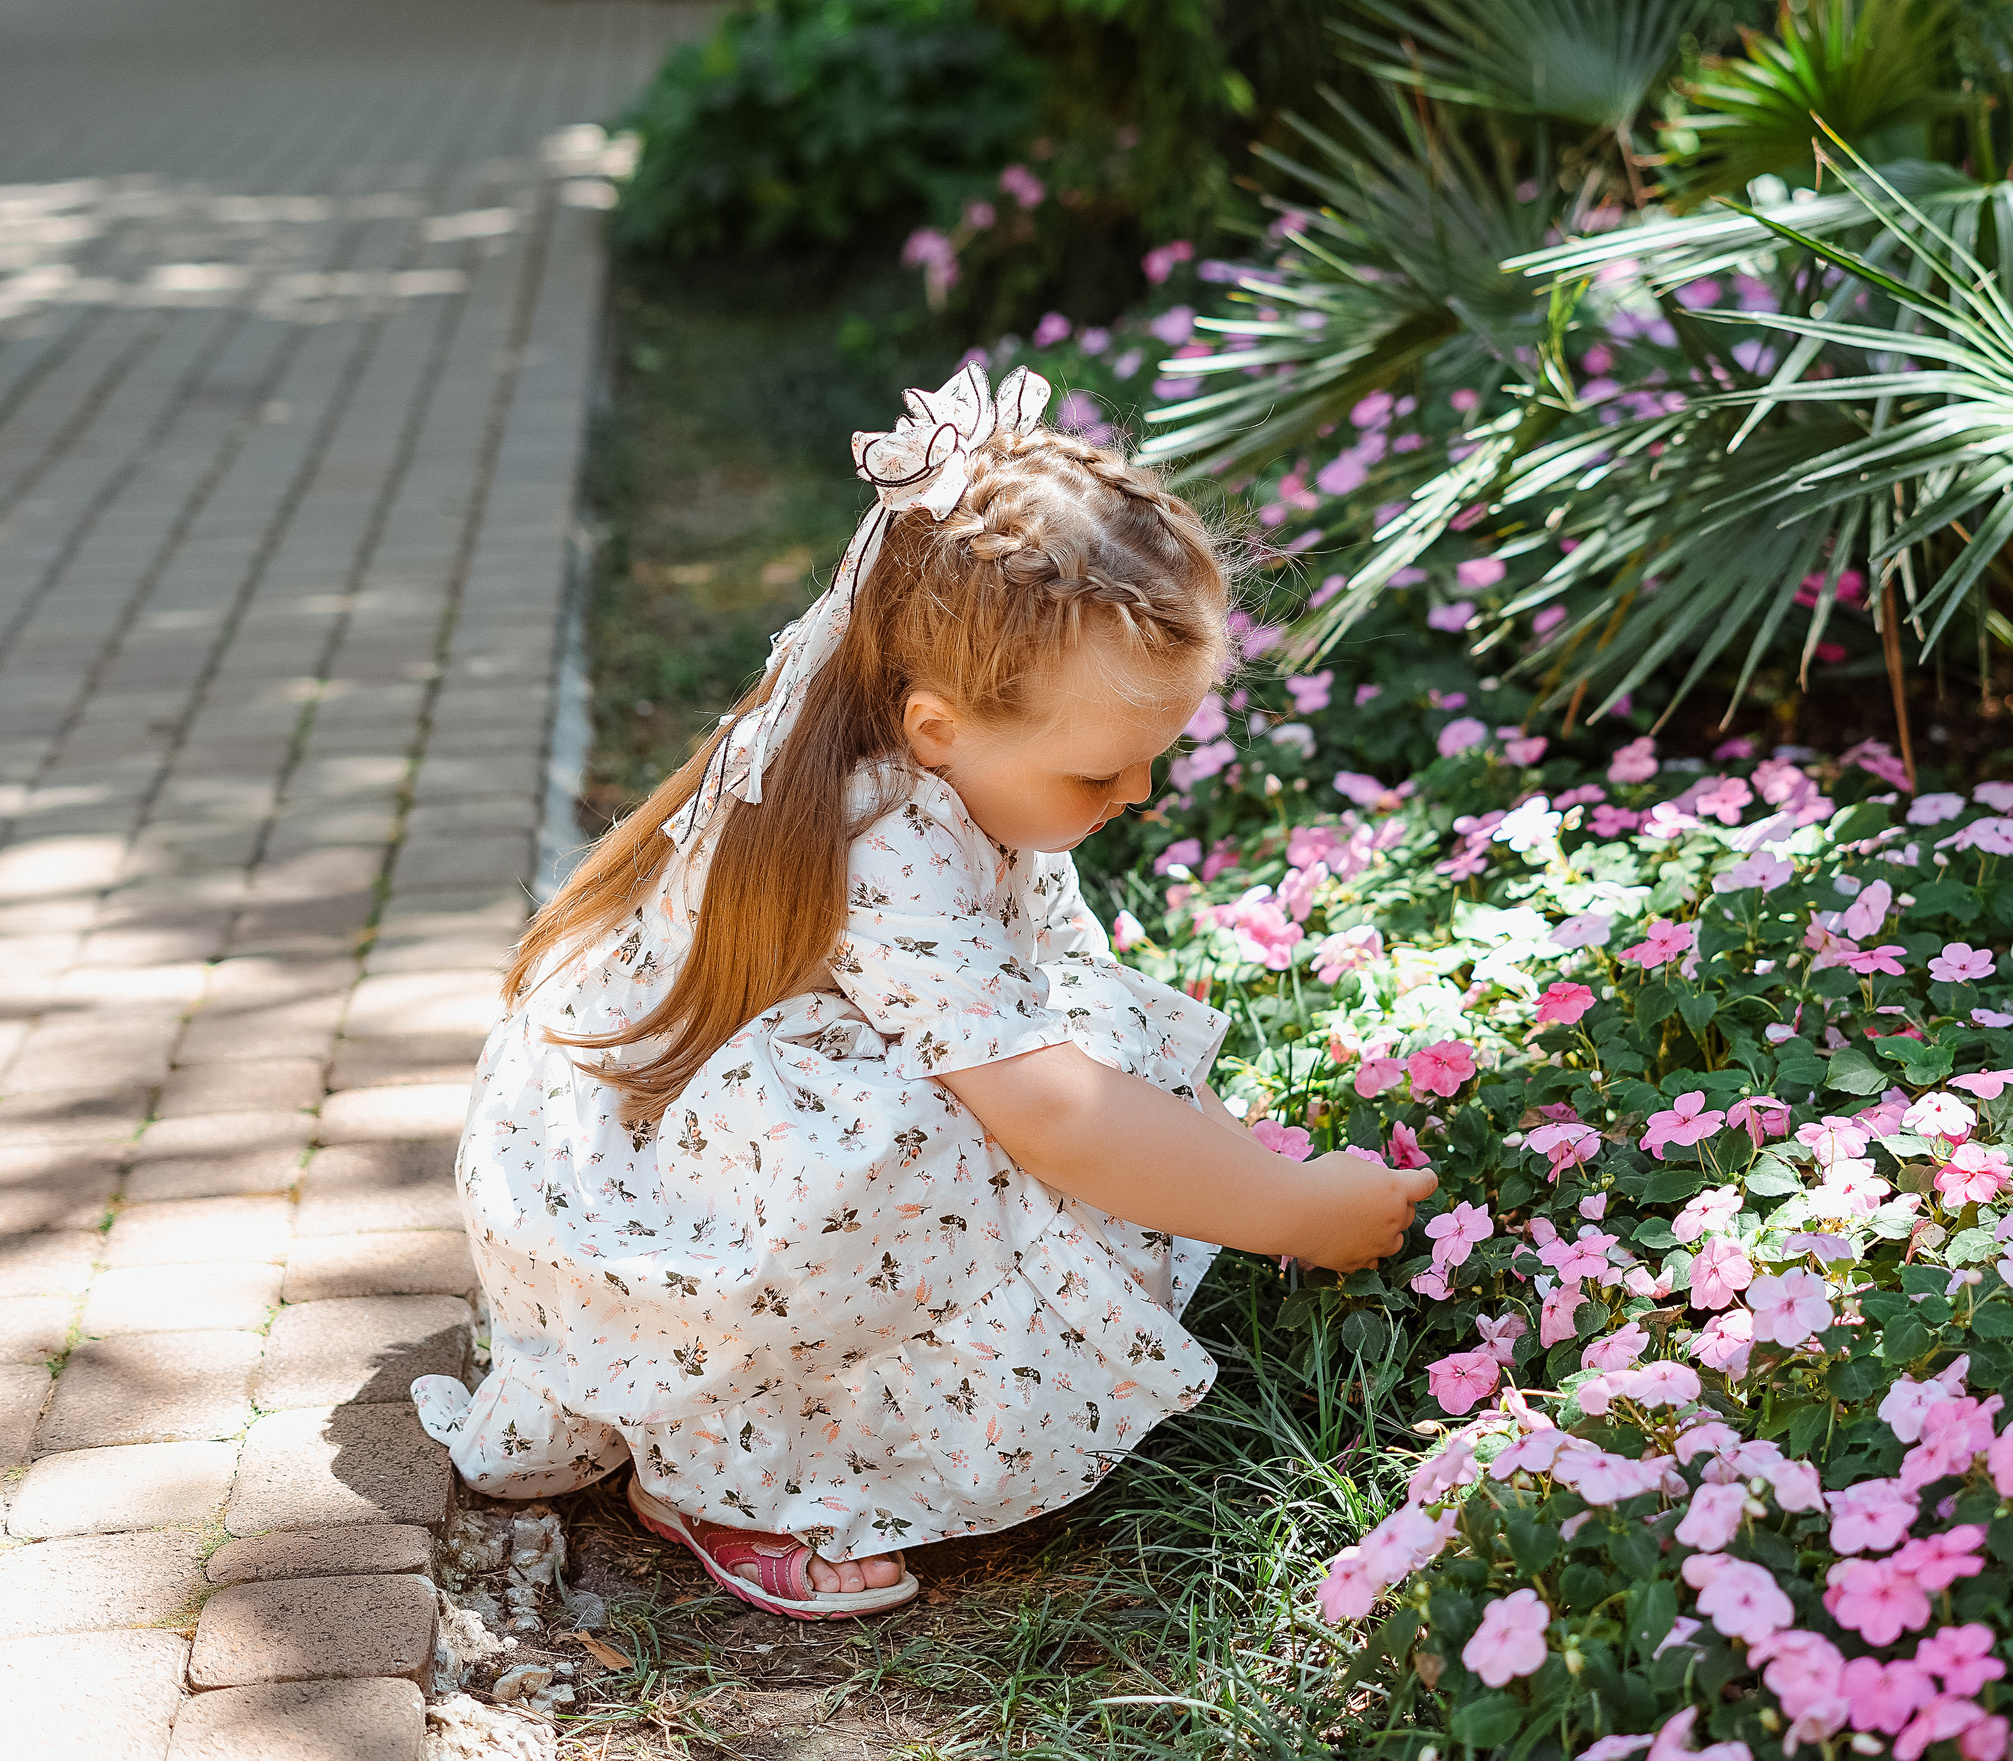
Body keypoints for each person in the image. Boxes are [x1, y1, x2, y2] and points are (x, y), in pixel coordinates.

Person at [410, 364, 1434, 1619]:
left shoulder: (949, 769)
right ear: (938, 727)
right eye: (1106, 772)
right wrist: (1286, 1210)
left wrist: (1234, 1177)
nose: (1141, 800)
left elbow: (1049, 1014)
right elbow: (1053, 1112)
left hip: (752, 1102)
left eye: (1155, 762)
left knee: (1061, 1051)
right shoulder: (882, 835)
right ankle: (729, 1474)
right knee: (929, 1145)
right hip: (700, 1185)